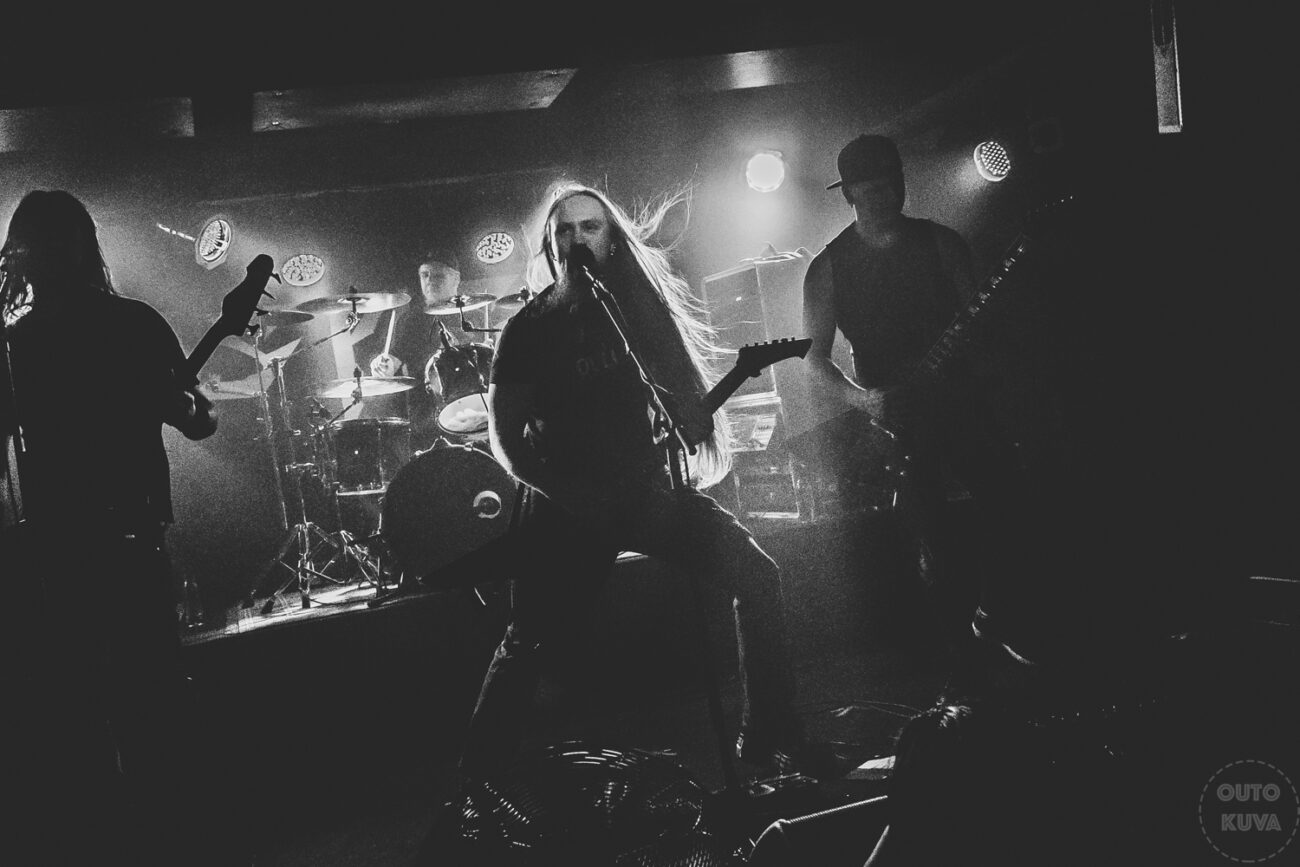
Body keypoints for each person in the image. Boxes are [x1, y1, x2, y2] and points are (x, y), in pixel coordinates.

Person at [458, 183, 831, 780]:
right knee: (529, 642)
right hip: (568, 507)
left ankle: (771, 734)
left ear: (612, 240)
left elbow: (677, 399)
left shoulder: (637, 310)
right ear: (551, 247)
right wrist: (572, 495)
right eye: (564, 231)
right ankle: (474, 785)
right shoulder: (529, 329)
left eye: (590, 227)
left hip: (643, 492)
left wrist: (693, 419)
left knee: (758, 575)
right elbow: (505, 440)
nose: (577, 240)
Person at [0, 190, 244, 865]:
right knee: (140, 704)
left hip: (67, 550)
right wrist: (185, 406)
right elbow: (199, 421)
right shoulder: (113, 327)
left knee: (93, 713)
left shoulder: (32, 342)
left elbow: (197, 418)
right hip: (108, 543)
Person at [801, 133, 1033, 659]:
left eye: (892, 185)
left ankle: (997, 620)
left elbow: (985, 327)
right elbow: (815, 361)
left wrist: (985, 364)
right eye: (871, 190)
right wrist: (868, 401)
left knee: (1011, 506)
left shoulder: (942, 243)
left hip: (961, 404)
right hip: (897, 420)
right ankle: (960, 662)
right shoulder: (828, 269)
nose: (885, 198)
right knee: (933, 540)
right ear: (849, 194)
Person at [357, 246, 478, 449]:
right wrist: (382, 365)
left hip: (471, 404)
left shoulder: (473, 313)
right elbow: (394, 359)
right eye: (425, 275)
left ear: (456, 279)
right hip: (426, 415)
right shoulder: (412, 319)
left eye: (438, 275)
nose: (430, 281)